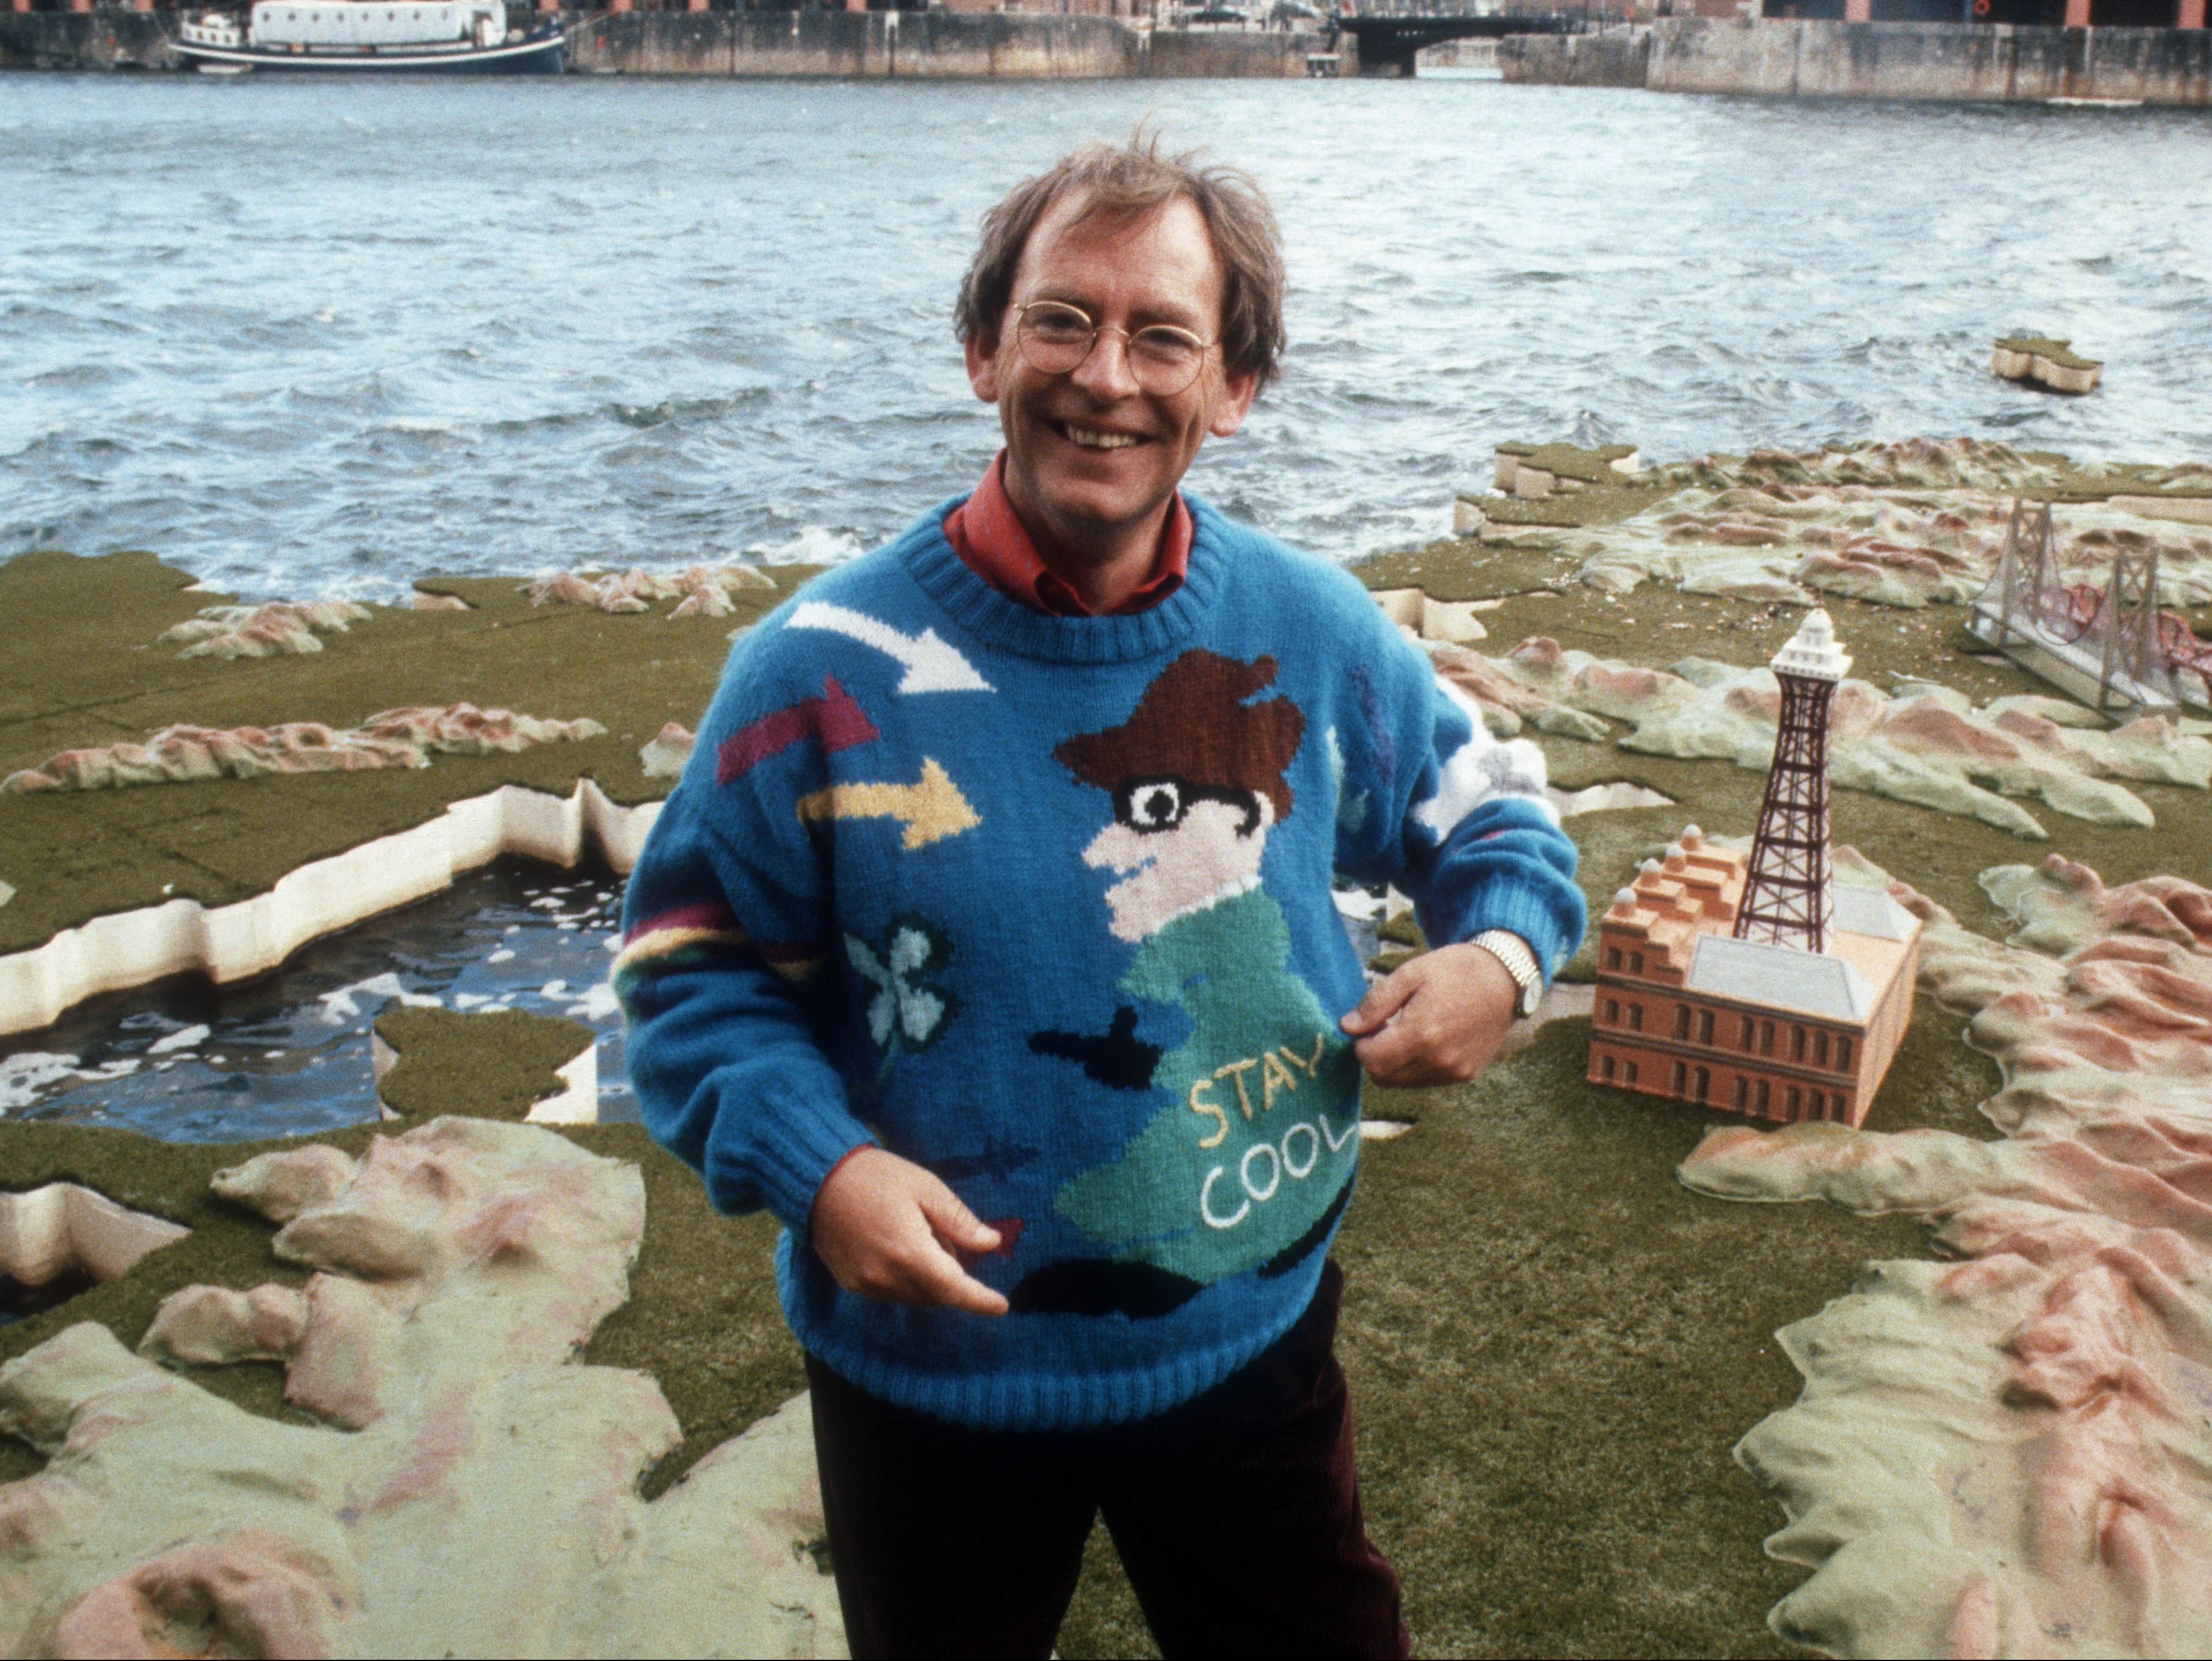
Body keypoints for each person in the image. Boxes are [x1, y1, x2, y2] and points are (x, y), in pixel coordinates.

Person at [613, 137, 1585, 1660]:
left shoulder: (1311, 628)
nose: (1105, 377)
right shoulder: (808, 670)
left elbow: (1496, 814)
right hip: (932, 1374)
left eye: (1163, 336)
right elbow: (684, 969)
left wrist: (1503, 957)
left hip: (1250, 1332)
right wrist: (818, 1166)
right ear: (982, 347)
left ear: (1235, 386)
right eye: (1062, 319)